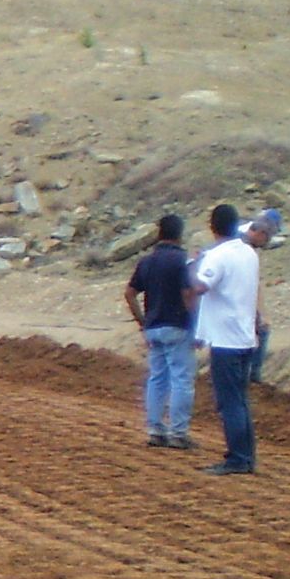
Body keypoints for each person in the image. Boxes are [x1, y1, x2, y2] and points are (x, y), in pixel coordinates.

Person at [191, 203, 262, 475]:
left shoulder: (217, 256)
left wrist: (193, 265)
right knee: (240, 399)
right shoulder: (249, 253)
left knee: (229, 401)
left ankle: (238, 458)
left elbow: (200, 287)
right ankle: (246, 455)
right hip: (244, 336)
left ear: (212, 227)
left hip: (225, 339)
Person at [123, 212, 195, 448]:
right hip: (177, 326)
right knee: (181, 379)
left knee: (157, 379)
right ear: (180, 234)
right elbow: (187, 294)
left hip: (153, 328)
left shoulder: (146, 262)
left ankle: (155, 429)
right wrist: (195, 323)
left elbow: (130, 293)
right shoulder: (182, 261)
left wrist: (142, 322)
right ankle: (178, 433)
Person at [240, 208, 281, 384]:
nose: (269, 241)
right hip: (234, 303)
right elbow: (251, 283)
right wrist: (261, 314)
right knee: (261, 331)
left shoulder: (241, 240)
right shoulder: (244, 248)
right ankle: (251, 377)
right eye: (269, 236)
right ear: (263, 231)